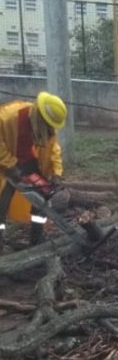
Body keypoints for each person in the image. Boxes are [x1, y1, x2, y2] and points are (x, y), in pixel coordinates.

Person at [0, 91, 66, 248]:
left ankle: (36, 241)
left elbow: (53, 150)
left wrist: (56, 173)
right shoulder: (8, 117)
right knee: (2, 204)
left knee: (41, 199)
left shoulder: (47, 128)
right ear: (41, 117)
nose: (50, 131)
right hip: (5, 165)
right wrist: (10, 165)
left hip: (26, 162)